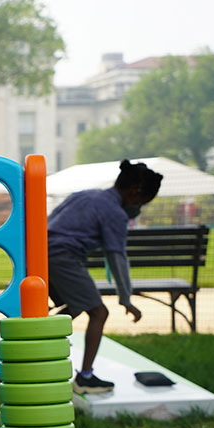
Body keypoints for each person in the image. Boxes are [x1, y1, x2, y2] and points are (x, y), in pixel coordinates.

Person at [46, 159, 163, 392]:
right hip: (63, 256)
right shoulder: (115, 213)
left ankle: (37, 347)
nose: (139, 209)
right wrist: (126, 299)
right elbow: (117, 257)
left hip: (42, 254)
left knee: (78, 305)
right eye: (143, 202)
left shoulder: (86, 194)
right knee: (99, 312)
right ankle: (85, 377)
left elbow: (50, 222)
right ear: (134, 193)